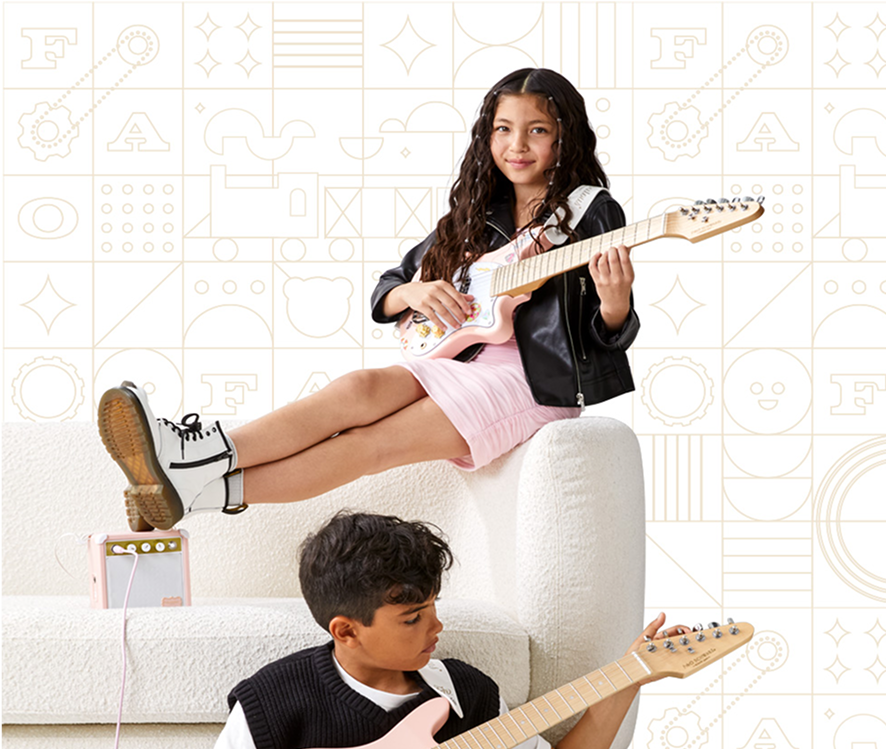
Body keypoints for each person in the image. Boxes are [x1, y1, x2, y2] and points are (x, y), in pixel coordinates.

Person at [98, 68, 638, 532]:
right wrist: (415, 291)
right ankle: (193, 458)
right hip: (461, 358)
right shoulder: (478, 210)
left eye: (536, 130)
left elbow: (606, 331)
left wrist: (615, 304)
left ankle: (200, 490)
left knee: (366, 444)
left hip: (534, 380)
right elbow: (389, 287)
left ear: (564, 137)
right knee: (357, 387)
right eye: (503, 129)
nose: (517, 145)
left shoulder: (590, 211)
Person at [130, 511, 678, 749]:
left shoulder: (465, 693)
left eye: (433, 606)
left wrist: (631, 677)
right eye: (413, 618)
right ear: (346, 630)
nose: (436, 626)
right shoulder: (275, 694)